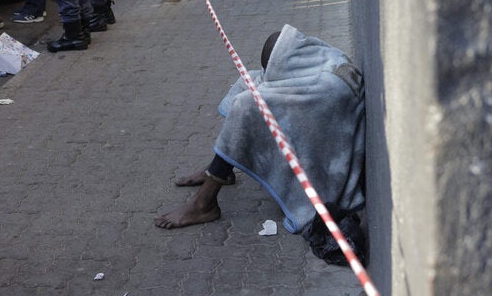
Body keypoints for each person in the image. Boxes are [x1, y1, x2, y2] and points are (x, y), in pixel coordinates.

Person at [155, 25, 365, 234]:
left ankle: (205, 204)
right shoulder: (312, 56)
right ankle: (220, 169)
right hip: (320, 102)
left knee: (246, 106)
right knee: (249, 81)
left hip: (329, 120)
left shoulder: (328, 86)